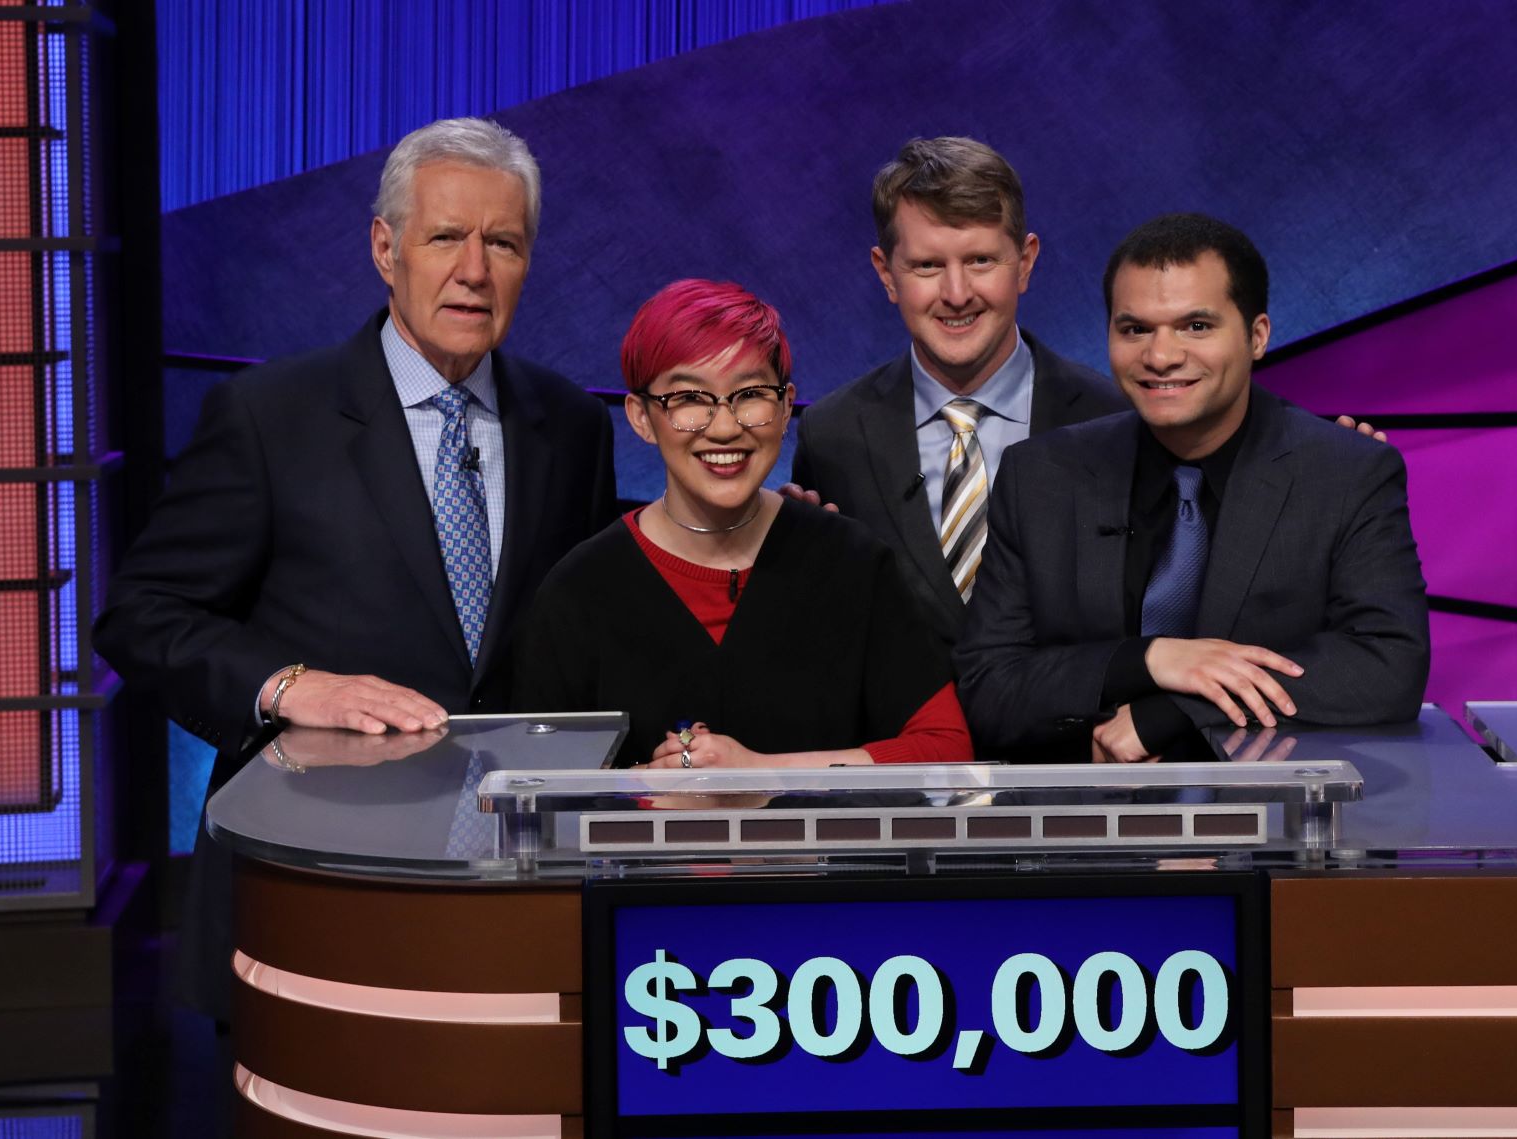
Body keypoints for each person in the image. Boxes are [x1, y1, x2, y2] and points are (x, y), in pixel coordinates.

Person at [94, 117, 614, 1015]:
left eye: (503, 243)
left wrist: (754, 534)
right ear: (386, 248)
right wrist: (289, 685)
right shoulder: (268, 415)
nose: (474, 270)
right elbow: (142, 614)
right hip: (316, 886)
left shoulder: (569, 423)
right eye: (446, 236)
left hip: (520, 894)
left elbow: (598, 615)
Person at [955, 214, 1428, 763]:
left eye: (1196, 326)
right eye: (1135, 329)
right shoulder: (1041, 476)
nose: (1161, 356)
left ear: (1257, 336)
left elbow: (1387, 666)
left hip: (1274, 830)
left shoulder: (1347, 473)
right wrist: (1146, 660)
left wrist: (1176, 712)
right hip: (1087, 830)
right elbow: (988, 686)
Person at [512, 279, 972, 769]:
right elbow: (535, 795)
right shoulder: (580, 591)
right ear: (641, 417)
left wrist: (763, 775)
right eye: (690, 398)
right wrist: (645, 791)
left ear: (785, 406)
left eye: (750, 394)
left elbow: (945, 750)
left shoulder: (853, 564)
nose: (726, 426)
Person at [789, 137, 1126, 647]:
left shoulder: (1112, 420)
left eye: (981, 261)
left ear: (1026, 261)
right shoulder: (833, 436)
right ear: (887, 274)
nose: (956, 294)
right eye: (927, 266)